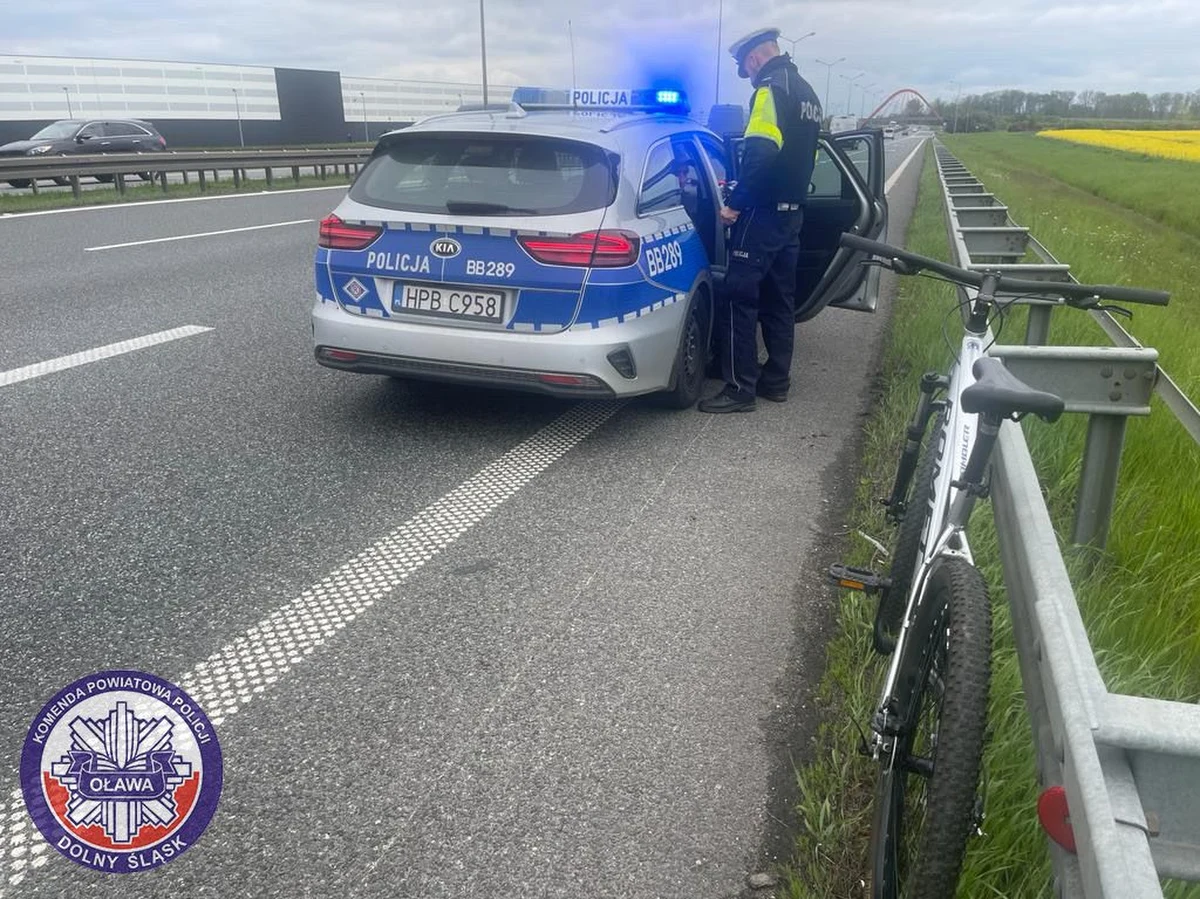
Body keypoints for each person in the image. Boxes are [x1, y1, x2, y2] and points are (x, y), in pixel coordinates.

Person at [698, 27, 823, 413]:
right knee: (779, 300)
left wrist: (734, 202)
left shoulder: (769, 89)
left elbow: (761, 153)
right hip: (792, 215)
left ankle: (739, 388)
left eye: (746, 69)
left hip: (763, 213)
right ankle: (776, 381)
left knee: (738, 295)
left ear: (753, 60)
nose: (749, 76)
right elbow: (807, 157)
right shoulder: (808, 93)